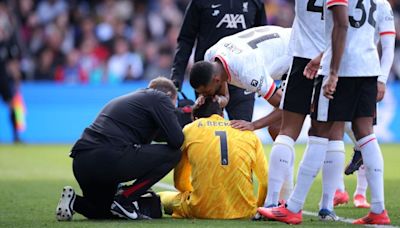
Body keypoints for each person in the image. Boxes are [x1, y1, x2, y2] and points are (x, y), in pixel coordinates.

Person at [259, 0, 391, 225]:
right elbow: (376, 37)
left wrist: (332, 72)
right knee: (363, 133)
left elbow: (341, 25)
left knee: (316, 131)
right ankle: (373, 208)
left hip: (338, 65)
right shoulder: (382, 2)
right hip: (368, 67)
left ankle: (292, 206)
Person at [55, 77, 184, 221]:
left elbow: (161, 135)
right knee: (173, 154)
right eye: (174, 103)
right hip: (109, 157)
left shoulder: (136, 100)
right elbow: (176, 140)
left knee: (103, 211)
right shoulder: (160, 97)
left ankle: (73, 201)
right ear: (169, 95)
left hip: (82, 162)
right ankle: (125, 198)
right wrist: (183, 116)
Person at [158, 97, 267, 219]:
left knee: (161, 197)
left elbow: (180, 183)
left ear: (195, 117)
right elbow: (266, 182)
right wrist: (257, 206)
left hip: (200, 210)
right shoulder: (247, 132)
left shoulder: (190, 129)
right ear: (221, 114)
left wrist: (199, 196)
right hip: (245, 212)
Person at [336, 0, 396, 208]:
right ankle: (338, 189)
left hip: (363, 72)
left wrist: (382, 79)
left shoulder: (381, 4)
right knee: (339, 129)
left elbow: (388, 47)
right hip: (344, 69)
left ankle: (360, 193)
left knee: (362, 133)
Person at [170, 0, 267, 122]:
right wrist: (177, 76)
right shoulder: (199, 2)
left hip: (243, 76)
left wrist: (265, 74)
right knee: (206, 130)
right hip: (208, 78)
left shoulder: (256, 2)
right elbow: (186, 38)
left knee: (242, 129)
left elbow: (262, 39)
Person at [189, 25, 292, 138]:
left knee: (286, 127)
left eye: (206, 91)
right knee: (275, 128)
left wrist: (253, 125)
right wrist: (217, 100)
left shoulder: (248, 72)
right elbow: (225, 97)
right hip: (280, 44)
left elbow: (286, 105)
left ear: (216, 80)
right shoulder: (210, 56)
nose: (205, 95)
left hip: (298, 53)